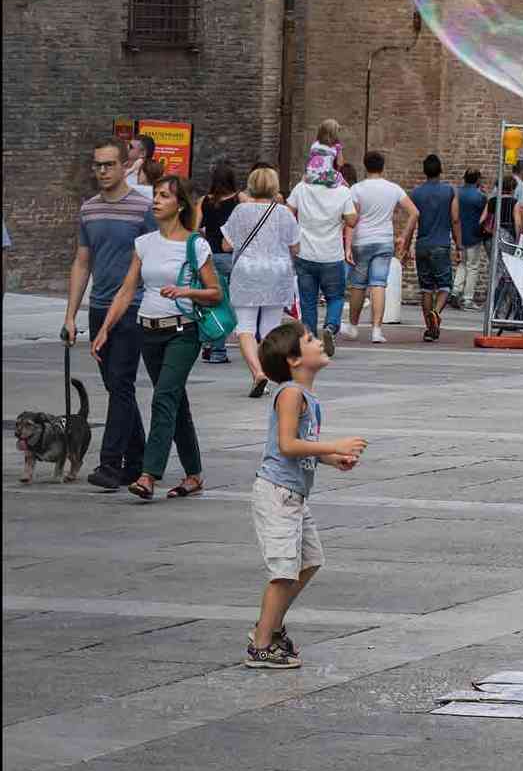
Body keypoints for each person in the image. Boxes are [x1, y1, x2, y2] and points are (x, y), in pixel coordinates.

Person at [91, 175, 223, 502]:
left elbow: (215, 293)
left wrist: (186, 290)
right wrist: (105, 328)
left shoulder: (196, 244)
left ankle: (148, 475)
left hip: (183, 331)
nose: (157, 200)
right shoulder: (145, 243)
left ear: (179, 205)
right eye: (156, 195)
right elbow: (126, 290)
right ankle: (193, 475)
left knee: (163, 398)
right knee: (175, 402)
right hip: (147, 331)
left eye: (164, 196)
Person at [246, 322, 368, 668]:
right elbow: (286, 445)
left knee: (310, 562)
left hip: (295, 494)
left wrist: (333, 459)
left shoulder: (306, 397)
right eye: (311, 340)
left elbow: (302, 447)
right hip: (277, 494)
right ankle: (262, 645)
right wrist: (335, 445)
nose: (319, 342)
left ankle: (266, 627)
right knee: (283, 572)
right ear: (294, 359)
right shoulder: (290, 394)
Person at [62, 137, 157, 492]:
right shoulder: (89, 210)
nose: (102, 171)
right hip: (99, 308)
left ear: (124, 166)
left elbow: (157, 256)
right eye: (97, 165)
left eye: (109, 165)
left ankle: (110, 464)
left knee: (120, 382)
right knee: (116, 386)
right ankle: (137, 462)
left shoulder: (143, 209)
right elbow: (82, 262)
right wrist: (71, 315)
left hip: (133, 308)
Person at [223, 166, 302, 398]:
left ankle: (258, 373)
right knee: (270, 328)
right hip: (276, 273)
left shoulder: (240, 210)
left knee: (245, 328)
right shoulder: (284, 213)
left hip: (247, 272)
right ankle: (270, 372)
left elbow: (226, 245)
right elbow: (295, 246)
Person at [343, 151, 418, 342]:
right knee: (378, 284)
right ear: (382, 167)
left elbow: (351, 220)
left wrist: (347, 246)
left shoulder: (357, 190)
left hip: (362, 240)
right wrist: (403, 236)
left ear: (365, 166)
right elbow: (414, 212)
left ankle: (353, 326)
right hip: (384, 240)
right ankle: (377, 330)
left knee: (358, 285)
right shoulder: (393, 189)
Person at [287, 164, 357, 355]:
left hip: (305, 253)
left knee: (308, 300)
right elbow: (352, 221)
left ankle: (310, 338)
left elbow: (288, 212)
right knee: (335, 296)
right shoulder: (342, 191)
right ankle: (330, 327)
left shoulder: (301, 188)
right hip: (331, 255)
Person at [404, 153, 461, 342]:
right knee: (445, 286)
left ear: (424, 171)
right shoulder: (449, 191)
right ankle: (436, 312)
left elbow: (412, 222)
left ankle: (430, 330)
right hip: (441, 245)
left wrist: (406, 247)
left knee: (426, 289)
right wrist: (459, 245)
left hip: (422, 245)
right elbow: (454, 219)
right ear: (440, 169)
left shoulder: (416, 193)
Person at [199, 162, 242, 365]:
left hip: (208, 256)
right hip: (231, 257)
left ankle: (210, 343)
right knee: (226, 303)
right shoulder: (239, 200)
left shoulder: (204, 201)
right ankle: (218, 350)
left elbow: (194, 228)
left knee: (211, 302)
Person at [453, 169, 487, 309]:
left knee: (462, 264)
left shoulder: (457, 193)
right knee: (472, 267)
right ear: (478, 180)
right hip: (474, 235)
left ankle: (456, 290)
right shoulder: (480, 197)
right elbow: (483, 216)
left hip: (459, 234)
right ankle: (467, 299)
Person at [304, 118, 346, 188]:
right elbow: (340, 163)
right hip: (326, 174)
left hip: (311, 173)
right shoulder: (336, 146)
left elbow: (309, 160)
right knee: (345, 185)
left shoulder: (315, 144)